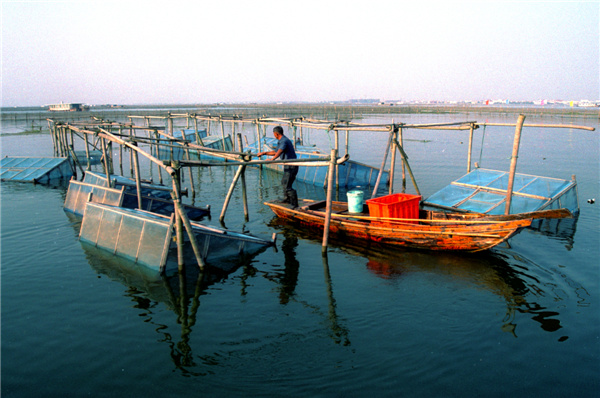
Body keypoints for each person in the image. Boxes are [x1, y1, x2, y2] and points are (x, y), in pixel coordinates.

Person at [257, 126, 299, 207]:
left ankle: (295, 204)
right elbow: (275, 151)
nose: (274, 136)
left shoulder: (284, 141)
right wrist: (264, 153)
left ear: (276, 134)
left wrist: (272, 159)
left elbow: (280, 151)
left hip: (291, 166)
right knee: (284, 182)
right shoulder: (282, 140)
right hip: (288, 166)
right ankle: (287, 199)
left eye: (274, 134)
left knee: (287, 185)